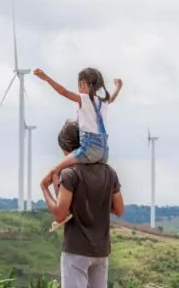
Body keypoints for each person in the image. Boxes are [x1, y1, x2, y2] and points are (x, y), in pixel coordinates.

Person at [34, 67, 123, 228]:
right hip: (104, 152)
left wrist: (46, 77)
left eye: (80, 83)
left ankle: (64, 210)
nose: (79, 87)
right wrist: (118, 87)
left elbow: (62, 91)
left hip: (88, 148)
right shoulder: (103, 102)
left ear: (85, 84)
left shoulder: (84, 99)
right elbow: (113, 98)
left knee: (55, 171)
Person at [40, 120, 124, 288]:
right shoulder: (109, 172)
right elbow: (119, 209)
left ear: (66, 148)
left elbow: (60, 214)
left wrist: (44, 188)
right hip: (101, 251)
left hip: (76, 250)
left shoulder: (69, 174)